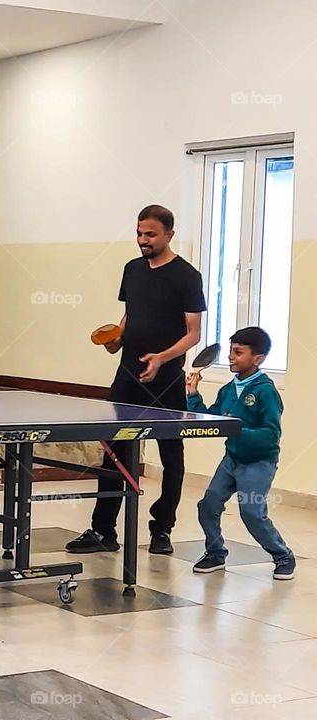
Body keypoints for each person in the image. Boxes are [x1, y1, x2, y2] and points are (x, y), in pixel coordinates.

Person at [67, 205, 206, 555]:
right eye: (139, 233)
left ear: (169, 235)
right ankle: (103, 531)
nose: (143, 240)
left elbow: (193, 334)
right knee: (114, 453)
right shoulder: (132, 269)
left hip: (167, 379)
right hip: (128, 376)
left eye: (151, 235)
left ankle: (162, 530)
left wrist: (161, 358)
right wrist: (117, 338)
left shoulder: (187, 276)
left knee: (171, 457)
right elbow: (131, 314)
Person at [188, 327, 295, 580]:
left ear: (258, 359)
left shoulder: (265, 391)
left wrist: (237, 429)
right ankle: (215, 553)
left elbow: (271, 434)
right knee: (208, 504)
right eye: (230, 351)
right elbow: (211, 418)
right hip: (231, 459)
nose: (231, 357)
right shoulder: (227, 390)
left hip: (259, 462)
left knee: (251, 513)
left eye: (238, 352)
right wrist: (193, 394)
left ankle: (283, 556)